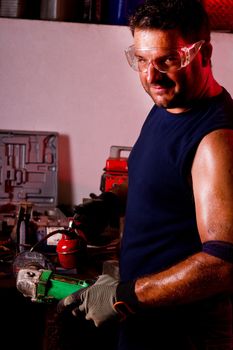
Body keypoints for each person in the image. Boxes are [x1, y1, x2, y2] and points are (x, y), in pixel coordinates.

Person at [57, 0, 233, 349]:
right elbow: (165, 180)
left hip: (183, 334)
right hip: (146, 320)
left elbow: (223, 262)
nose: (151, 76)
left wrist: (124, 296)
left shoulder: (216, 140)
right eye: (141, 60)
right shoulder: (167, 105)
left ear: (203, 53)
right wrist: (112, 201)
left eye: (167, 60)